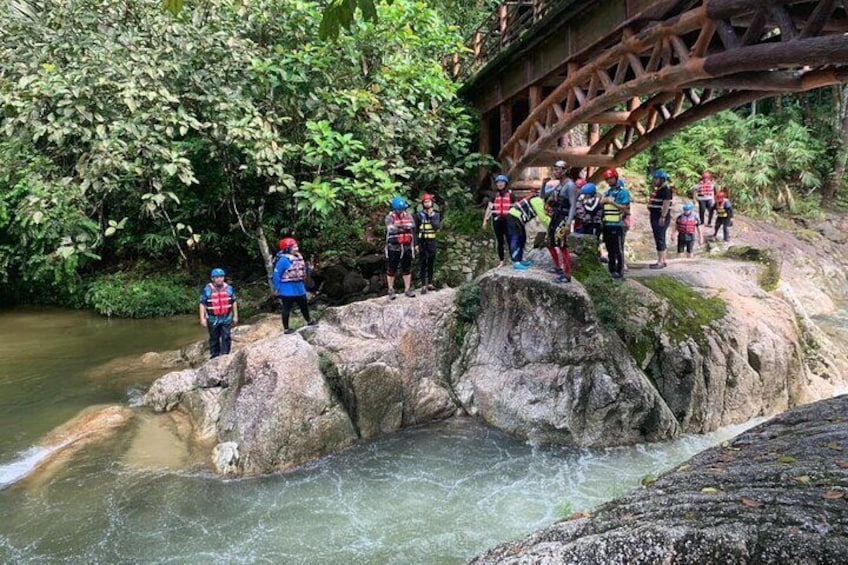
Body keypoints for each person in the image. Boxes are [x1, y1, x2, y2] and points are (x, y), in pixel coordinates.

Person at [273, 238, 317, 334]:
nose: (296, 248)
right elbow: (276, 275)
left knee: (304, 306)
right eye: (294, 247)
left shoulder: (299, 258)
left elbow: (304, 271)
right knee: (286, 308)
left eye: (296, 246)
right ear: (287, 249)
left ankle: (309, 320)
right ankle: (286, 328)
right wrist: (277, 288)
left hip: (299, 288)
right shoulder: (283, 260)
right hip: (287, 289)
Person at [544, 160, 577, 280]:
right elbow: (544, 195)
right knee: (549, 242)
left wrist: (568, 224)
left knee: (562, 245)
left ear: (564, 171)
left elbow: (573, 205)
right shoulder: (559, 184)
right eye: (554, 169)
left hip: (564, 217)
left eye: (557, 170)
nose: (555, 172)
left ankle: (567, 274)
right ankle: (557, 267)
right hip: (555, 216)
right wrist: (544, 185)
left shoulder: (570, 185)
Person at [506, 188, 550, 270]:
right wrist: (553, 227)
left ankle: (521, 259)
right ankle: (516, 262)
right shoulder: (538, 201)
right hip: (514, 217)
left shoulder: (540, 201)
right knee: (516, 239)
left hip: (519, 219)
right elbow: (543, 218)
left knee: (523, 238)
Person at [199, 268, 238, 358]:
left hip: (226, 317)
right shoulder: (207, 290)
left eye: (221, 277)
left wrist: (235, 316)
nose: (219, 279)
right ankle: (214, 356)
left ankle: (225, 355)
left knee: (226, 337)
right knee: (214, 338)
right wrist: (202, 318)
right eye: (216, 277)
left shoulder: (229, 289)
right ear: (212, 279)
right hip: (213, 319)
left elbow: (233, 302)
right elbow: (202, 304)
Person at [601, 169, 631, 280]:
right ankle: (611, 270)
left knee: (618, 249)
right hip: (607, 224)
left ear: (616, 177)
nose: (609, 180)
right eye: (607, 179)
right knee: (610, 249)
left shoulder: (623, 192)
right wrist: (604, 200)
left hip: (618, 225)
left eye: (611, 178)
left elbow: (624, 207)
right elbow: (601, 203)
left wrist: (611, 202)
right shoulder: (608, 192)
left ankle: (619, 271)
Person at [385, 195, 416, 299]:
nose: (401, 211)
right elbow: (391, 228)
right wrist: (403, 227)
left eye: (402, 209)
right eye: (399, 209)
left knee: (406, 267)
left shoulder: (408, 216)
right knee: (392, 268)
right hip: (394, 247)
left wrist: (400, 226)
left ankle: (407, 289)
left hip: (406, 246)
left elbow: (412, 225)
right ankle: (390, 289)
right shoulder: (390, 217)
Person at [482, 174, 514, 267]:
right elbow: (489, 208)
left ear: (505, 183)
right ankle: (501, 261)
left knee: (510, 239)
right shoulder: (494, 195)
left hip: (508, 220)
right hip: (497, 220)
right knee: (500, 241)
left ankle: (514, 260)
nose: (500, 184)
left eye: (502, 182)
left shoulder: (511, 195)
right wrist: (485, 220)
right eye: (498, 182)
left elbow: (516, 207)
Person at [415, 193, 441, 294]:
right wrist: (416, 244)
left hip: (431, 241)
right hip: (422, 241)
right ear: (422, 203)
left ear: (432, 203)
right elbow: (415, 230)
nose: (427, 203)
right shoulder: (418, 215)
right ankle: (423, 285)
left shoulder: (436, 214)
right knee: (422, 263)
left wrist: (430, 216)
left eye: (429, 202)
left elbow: (436, 227)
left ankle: (430, 283)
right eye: (425, 202)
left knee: (431, 262)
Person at [648, 169, 673, 269]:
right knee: (659, 237)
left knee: (660, 237)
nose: (654, 180)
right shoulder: (657, 189)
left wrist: (663, 216)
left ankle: (660, 261)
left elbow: (666, 204)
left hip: (660, 216)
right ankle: (663, 260)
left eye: (656, 178)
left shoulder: (666, 190)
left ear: (662, 179)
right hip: (654, 215)